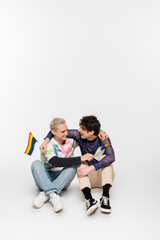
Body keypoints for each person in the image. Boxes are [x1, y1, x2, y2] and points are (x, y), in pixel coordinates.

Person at [40, 115, 115, 215]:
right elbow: (56, 131)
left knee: (107, 163)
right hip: (89, 178)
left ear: (91, 132)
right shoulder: (78, 135)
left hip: (102, 178)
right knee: (80, 162)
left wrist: (91, 168)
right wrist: (46, 141)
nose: (79, 130)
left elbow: (111, 157)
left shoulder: (103, 139)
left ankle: (105, 197)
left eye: (83, 128)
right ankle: (89, 200)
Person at [31, 117, 94, 213]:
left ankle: (45, 194)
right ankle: (53, 195)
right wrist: (80, 158)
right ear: (53, 132)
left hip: (62, 178)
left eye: (67, 130)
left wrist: (101, 132)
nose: (66, 133)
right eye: (62, 131)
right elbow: (56, 162)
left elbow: (87, 133)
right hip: (45, 178)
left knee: (73, 167)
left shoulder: (71, 140)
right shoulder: (48, 145)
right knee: (35, 164)